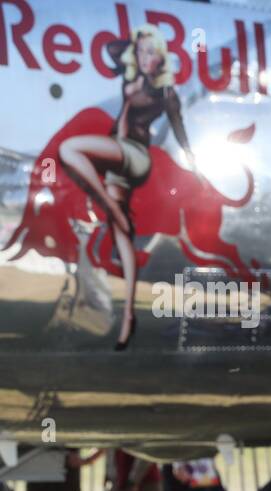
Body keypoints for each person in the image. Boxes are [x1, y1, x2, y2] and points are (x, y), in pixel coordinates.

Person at [55, 24, 198, 350]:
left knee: (70, 149)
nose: (147, 57)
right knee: (124, 239)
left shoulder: (165, 92)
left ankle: (112, 209)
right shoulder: (131, 77)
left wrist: (194, 164)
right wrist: (137, 44)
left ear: (162, 58)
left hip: (135, 155)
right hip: (117, 159)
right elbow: (111, 51)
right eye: (142, 51)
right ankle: (129, 317)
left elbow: (179, 130)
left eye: (153, 52)